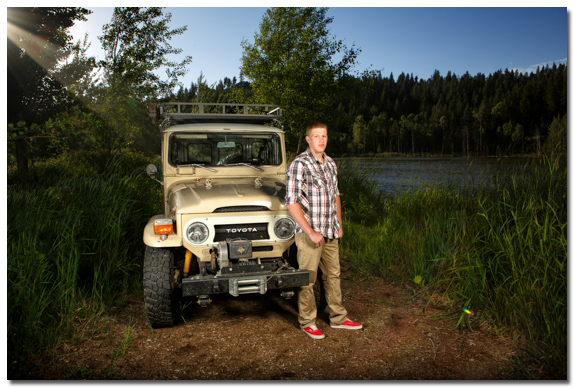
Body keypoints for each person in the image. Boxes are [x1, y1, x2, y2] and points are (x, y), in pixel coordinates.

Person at [285, 121, 363, 340]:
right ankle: (307, 322)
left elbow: (335, 195)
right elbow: (292, 202)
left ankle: (338, 317)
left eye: (324, 136)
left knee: (333, 275)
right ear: (308, 139)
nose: (321, 140)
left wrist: (339, 223)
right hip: (310, 233)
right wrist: (310, 232)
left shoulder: (330, 163)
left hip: (330, 230)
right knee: (308, 279)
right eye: (317, 136)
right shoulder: (300, 164)